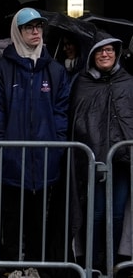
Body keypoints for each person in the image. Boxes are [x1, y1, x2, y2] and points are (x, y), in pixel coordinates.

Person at [0, 8, 69, 269]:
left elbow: (61, 110)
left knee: (36, 222)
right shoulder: (2, 70)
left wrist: (55, 145)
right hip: (11, 162)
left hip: (42, 162)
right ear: (17, 32)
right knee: (10, 221)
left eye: (39, 27)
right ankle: (10, 270)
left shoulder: (53, 69)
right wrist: (2, 148)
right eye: (29, 27)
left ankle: (34, 270)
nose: (35, 32)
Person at [69, 32, 133, 273]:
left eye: (110, 50)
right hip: (92, 160)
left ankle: (113, 262)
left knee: (117, 214)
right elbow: (76, 119)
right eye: (100, 50)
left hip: (122, 160)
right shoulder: (82, 83)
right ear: (92, 55)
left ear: (116, 54)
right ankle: (92, 263)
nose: (105, 54)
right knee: (94, 213)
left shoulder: (128, 82)